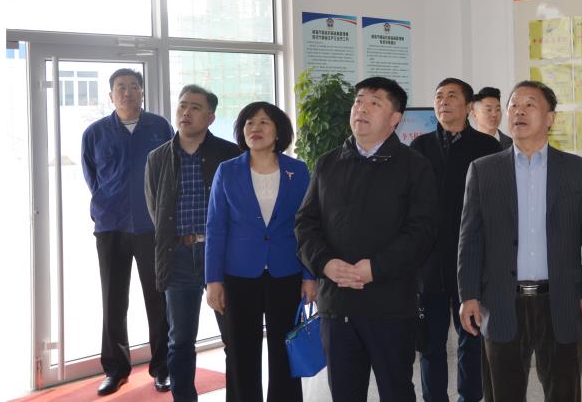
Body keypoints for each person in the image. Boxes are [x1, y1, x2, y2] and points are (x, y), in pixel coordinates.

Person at [458, 80, 582, 402]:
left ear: (550, 118)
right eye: (514, 105)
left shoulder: (577, 170)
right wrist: (468, 294)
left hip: (561, 299)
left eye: (530, 104)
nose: (519, 111)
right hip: (501, 300)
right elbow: (470, 239)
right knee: (503, 393)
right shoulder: (483, 170)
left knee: (563, 390)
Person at [296, 76, 438, 402]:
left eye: (375, 103)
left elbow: (422, 232)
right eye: (359, 101)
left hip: (390, 305)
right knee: (344, 393)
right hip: (337, 306)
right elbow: (305, 224)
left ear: (395, 118)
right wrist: (325, 263)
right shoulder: (328, 163)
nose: (362, 108)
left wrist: (375, 268)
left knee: (396, 392)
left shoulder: (414, 166)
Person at [205, 101, 315, 402]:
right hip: (239, 273)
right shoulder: (227, 171)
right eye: (249, 122)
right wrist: (213, 280)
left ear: (278, 131)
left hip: (286, 272)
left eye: (264, 122)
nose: (255, 128)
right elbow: (216, 227)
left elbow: (308, 227)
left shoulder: (297, 171)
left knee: (285, 351)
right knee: (240, 351)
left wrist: (310, 276)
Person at [144, 85, 240, 402]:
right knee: (180, 340)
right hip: (178, 256)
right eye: (182, 105)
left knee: (234, 337)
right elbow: (155, 208)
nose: (186, 112)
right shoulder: (158, 158)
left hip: (221, 256)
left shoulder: (230, 154)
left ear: (210, 117)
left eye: (195, 107)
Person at [81, 68, 172, 395]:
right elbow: (92, 177)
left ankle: (163, 368)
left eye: (134, 86)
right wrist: (109, 203)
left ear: (142, 92)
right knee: (113, 300)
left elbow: (169, 172)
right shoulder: (95, 133)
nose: (128, 92)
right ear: (111, 95)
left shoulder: (159, 127)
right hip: (111, 227)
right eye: (121, 87)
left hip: (152, 227)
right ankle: (116, 369)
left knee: (158, 299)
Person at [410, 78, 500, 402]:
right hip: (430, 263)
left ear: (468, 106)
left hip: (471, 262)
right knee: (430, 344)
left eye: (451, 96)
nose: (443, 102)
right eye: (439, 96)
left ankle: (469, 398)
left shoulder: (488, 148)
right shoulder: (419, 148)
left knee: (471, 340)